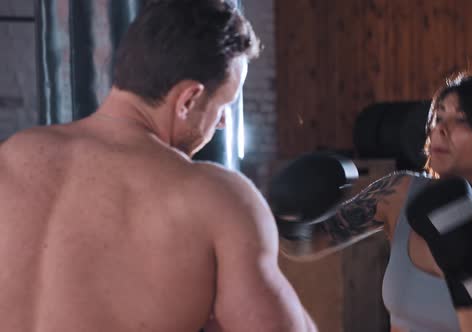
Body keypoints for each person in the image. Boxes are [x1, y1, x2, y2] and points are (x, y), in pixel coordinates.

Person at [0, 1, 316, 331]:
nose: (222, 122)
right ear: (189, 100)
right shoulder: (216, 198)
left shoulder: (9, 157)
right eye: (225, 105)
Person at [274, 73, 472, 332]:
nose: (439, 129)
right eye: (438, 117)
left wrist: (465, 271)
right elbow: (308, 244)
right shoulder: (400, 191)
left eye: (461, 120)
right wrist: (284, 213)